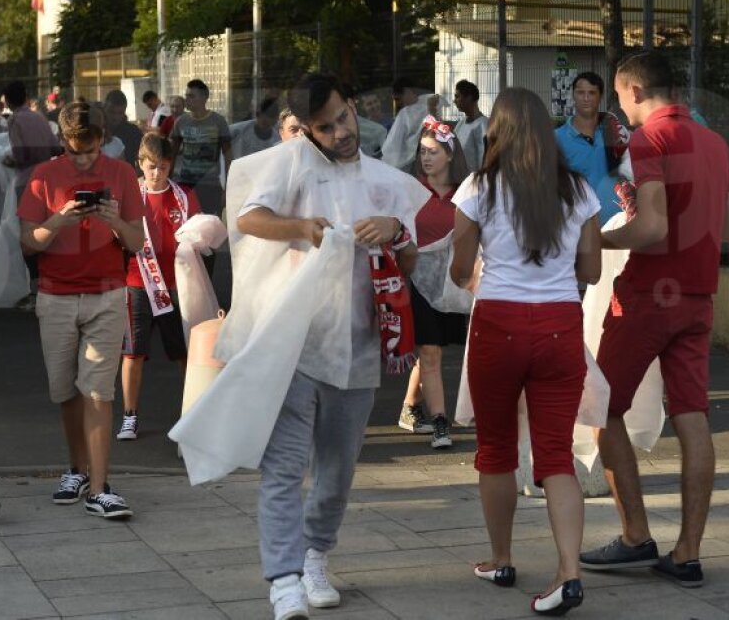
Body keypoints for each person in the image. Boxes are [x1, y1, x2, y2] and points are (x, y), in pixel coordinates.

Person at [233, 73, 427, 620]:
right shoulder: (291, 164)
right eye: (327, 126)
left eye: (344, 117)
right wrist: (303, 227)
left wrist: (395, 230)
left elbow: (410, 264)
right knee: (284, 465)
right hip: (293, 338)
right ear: (308, 131)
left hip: (361, 342)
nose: (342, 131)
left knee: (338, 468)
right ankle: (284, 578)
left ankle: (316, 555)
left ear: (353, 106)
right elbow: (248, 218)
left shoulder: (387, 181)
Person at [580, 52, 729, 589]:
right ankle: (688, 554)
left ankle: (635, 537)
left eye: (618, 97)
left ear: (629, 90)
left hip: (650, 294)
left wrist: (600, 238)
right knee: (692, 417)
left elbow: (649, 228)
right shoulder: (715, 142)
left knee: (602, 406)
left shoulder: (648, 141)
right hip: (698, 296)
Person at [450, 87, 602, 617]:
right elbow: (591, 272)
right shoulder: (579, 190)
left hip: (499, 324)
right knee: (555, 454)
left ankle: (500, 558)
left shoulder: (479, 187)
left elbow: (458, 268)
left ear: (499, 130)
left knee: (495, 449)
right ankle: (570, 572)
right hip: (561, 324)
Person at [18, 101, 145, 519]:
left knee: (97, 391)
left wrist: (114, 220)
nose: (85, 159)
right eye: (75, 151)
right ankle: (76, 469)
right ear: (62, 142)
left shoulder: (122, 173)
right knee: (65, 391)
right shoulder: (43, 176)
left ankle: (99, 485)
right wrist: (58, 220)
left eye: (91, 150)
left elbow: (137, 242)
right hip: (55, 295)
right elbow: (28, 242)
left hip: (107, 294)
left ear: (103, 140)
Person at [118, 133, 202, 441]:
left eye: (164, 167)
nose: (157, 173)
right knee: (133, 352)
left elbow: (199, 233)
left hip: (175, 287)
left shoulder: (183, 196)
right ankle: (129, 415)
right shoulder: (130, 195)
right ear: (139, 164)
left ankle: (193, 410)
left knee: (182, 353)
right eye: (152, 166)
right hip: (137, 283)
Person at [398, 117, 470, 448]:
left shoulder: (467, 192)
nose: (426, 158)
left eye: (433, 152)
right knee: (429, 351)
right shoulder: (410, 190)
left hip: (453, 283)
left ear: (451, 155)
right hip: (414, 282)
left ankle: (410, 406)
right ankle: (441, 421)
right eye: (422, 152)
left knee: (435, 350)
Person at [555, 71, 631, 226]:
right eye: (580, 92)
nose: (586, 98)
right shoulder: (555, 139)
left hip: (616, 225)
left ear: (600, 96)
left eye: (592, 93)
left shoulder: (616, 134)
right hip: (577, 228)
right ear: (573, 96)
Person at [171, 79, 232, 216]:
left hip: (210, 186)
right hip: (186, 186)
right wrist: (167, 183)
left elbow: (228, 156)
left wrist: (228, 188)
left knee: (210, 230)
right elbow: (172, 154)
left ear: (204, 98)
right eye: (186, 95)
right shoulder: (180, 122)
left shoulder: (218, 121)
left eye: (191, 96)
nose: (187, 99)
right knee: (187, 229)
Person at [2, 80, 62, 191]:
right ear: (26, 98)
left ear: (7, 101)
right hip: (47, 180)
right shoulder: (40, 117)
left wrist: (7, 161)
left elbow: (20, 155)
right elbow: (57, 149)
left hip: (27, 183)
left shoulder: (14, 120)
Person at [453, 79, 488, 171]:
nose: (454, 101)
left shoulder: (483, 125)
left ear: (469, 98)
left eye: (457, 96)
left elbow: (484, 160)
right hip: (459, 179)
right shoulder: (460, 124)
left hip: (474, 181)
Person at [104, 89, 144, 165]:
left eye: (120, 113)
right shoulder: (96, 132)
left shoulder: (134, 133)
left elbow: (143, 159)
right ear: (105, 108)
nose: (115, 117)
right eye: (111, 112)